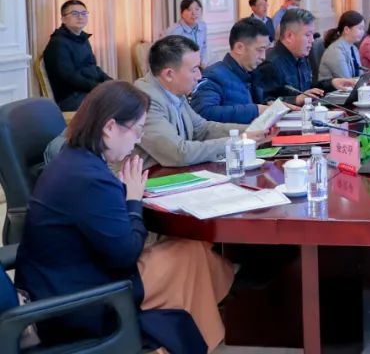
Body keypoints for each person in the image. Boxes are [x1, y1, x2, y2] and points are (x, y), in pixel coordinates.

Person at [15, 81, 235, 352]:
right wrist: (132, 199)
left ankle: (195, 336)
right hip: (77, 303)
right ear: (109, 127)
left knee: (191, 250)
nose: (139, 140)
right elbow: (126, 254)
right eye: (137, 130)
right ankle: (186, 339)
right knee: (188, 256)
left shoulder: (75, 160)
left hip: (53, 285)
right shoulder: (90, 179)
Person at [135, 36, 266, 169]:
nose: (199, 76)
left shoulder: (174, 89)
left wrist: (253, 132)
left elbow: (202, 129)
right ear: (169, 74)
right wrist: (238, 141)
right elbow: (179, 153)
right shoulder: (144, 101)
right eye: (194, 69)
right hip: (151, 177)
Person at [255, 8, 354, 105]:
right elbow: (264, 102)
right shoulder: (270, 64)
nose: (312, 40)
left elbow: (308, 89)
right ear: (289, 36)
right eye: (307, 35)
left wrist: (332, 83)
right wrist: (296, 100)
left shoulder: (301, 57)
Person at [190, 19, 271, 124]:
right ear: (239, 48)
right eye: (259, 50)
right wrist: (255, 111)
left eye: (265, 50)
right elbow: (203, 113)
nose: (263, 57)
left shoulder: (252, 73)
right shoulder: (214, 76)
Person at [41, 0, 111, 111]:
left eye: (84, 13)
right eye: (74, 13)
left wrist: (110, 82)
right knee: (115, 103)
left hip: (88, 90)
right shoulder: (58, 43)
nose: (80, 17)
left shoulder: (82, 38)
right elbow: (68, 76)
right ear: (63, 19)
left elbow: (93, 67)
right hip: (70, 98)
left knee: (122, 93)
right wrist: (97, 87)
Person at [318, 10, 365, 80]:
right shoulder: (335, 51)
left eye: (363, 29)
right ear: (346, 30)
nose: (362, 32)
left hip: (351, 86)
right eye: (360, 28)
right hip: (335, 87)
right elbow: (346, 80)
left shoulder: (354, 48)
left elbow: (361, 76)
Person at [164, 0, 209, 67]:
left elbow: (204, 47)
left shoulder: (203, 26)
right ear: (182, 13)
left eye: (197, 9)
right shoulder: (174, 31)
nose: (194, 13)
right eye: (189, 10)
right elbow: (165, 54)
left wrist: (203, 63)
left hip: (198, 66)